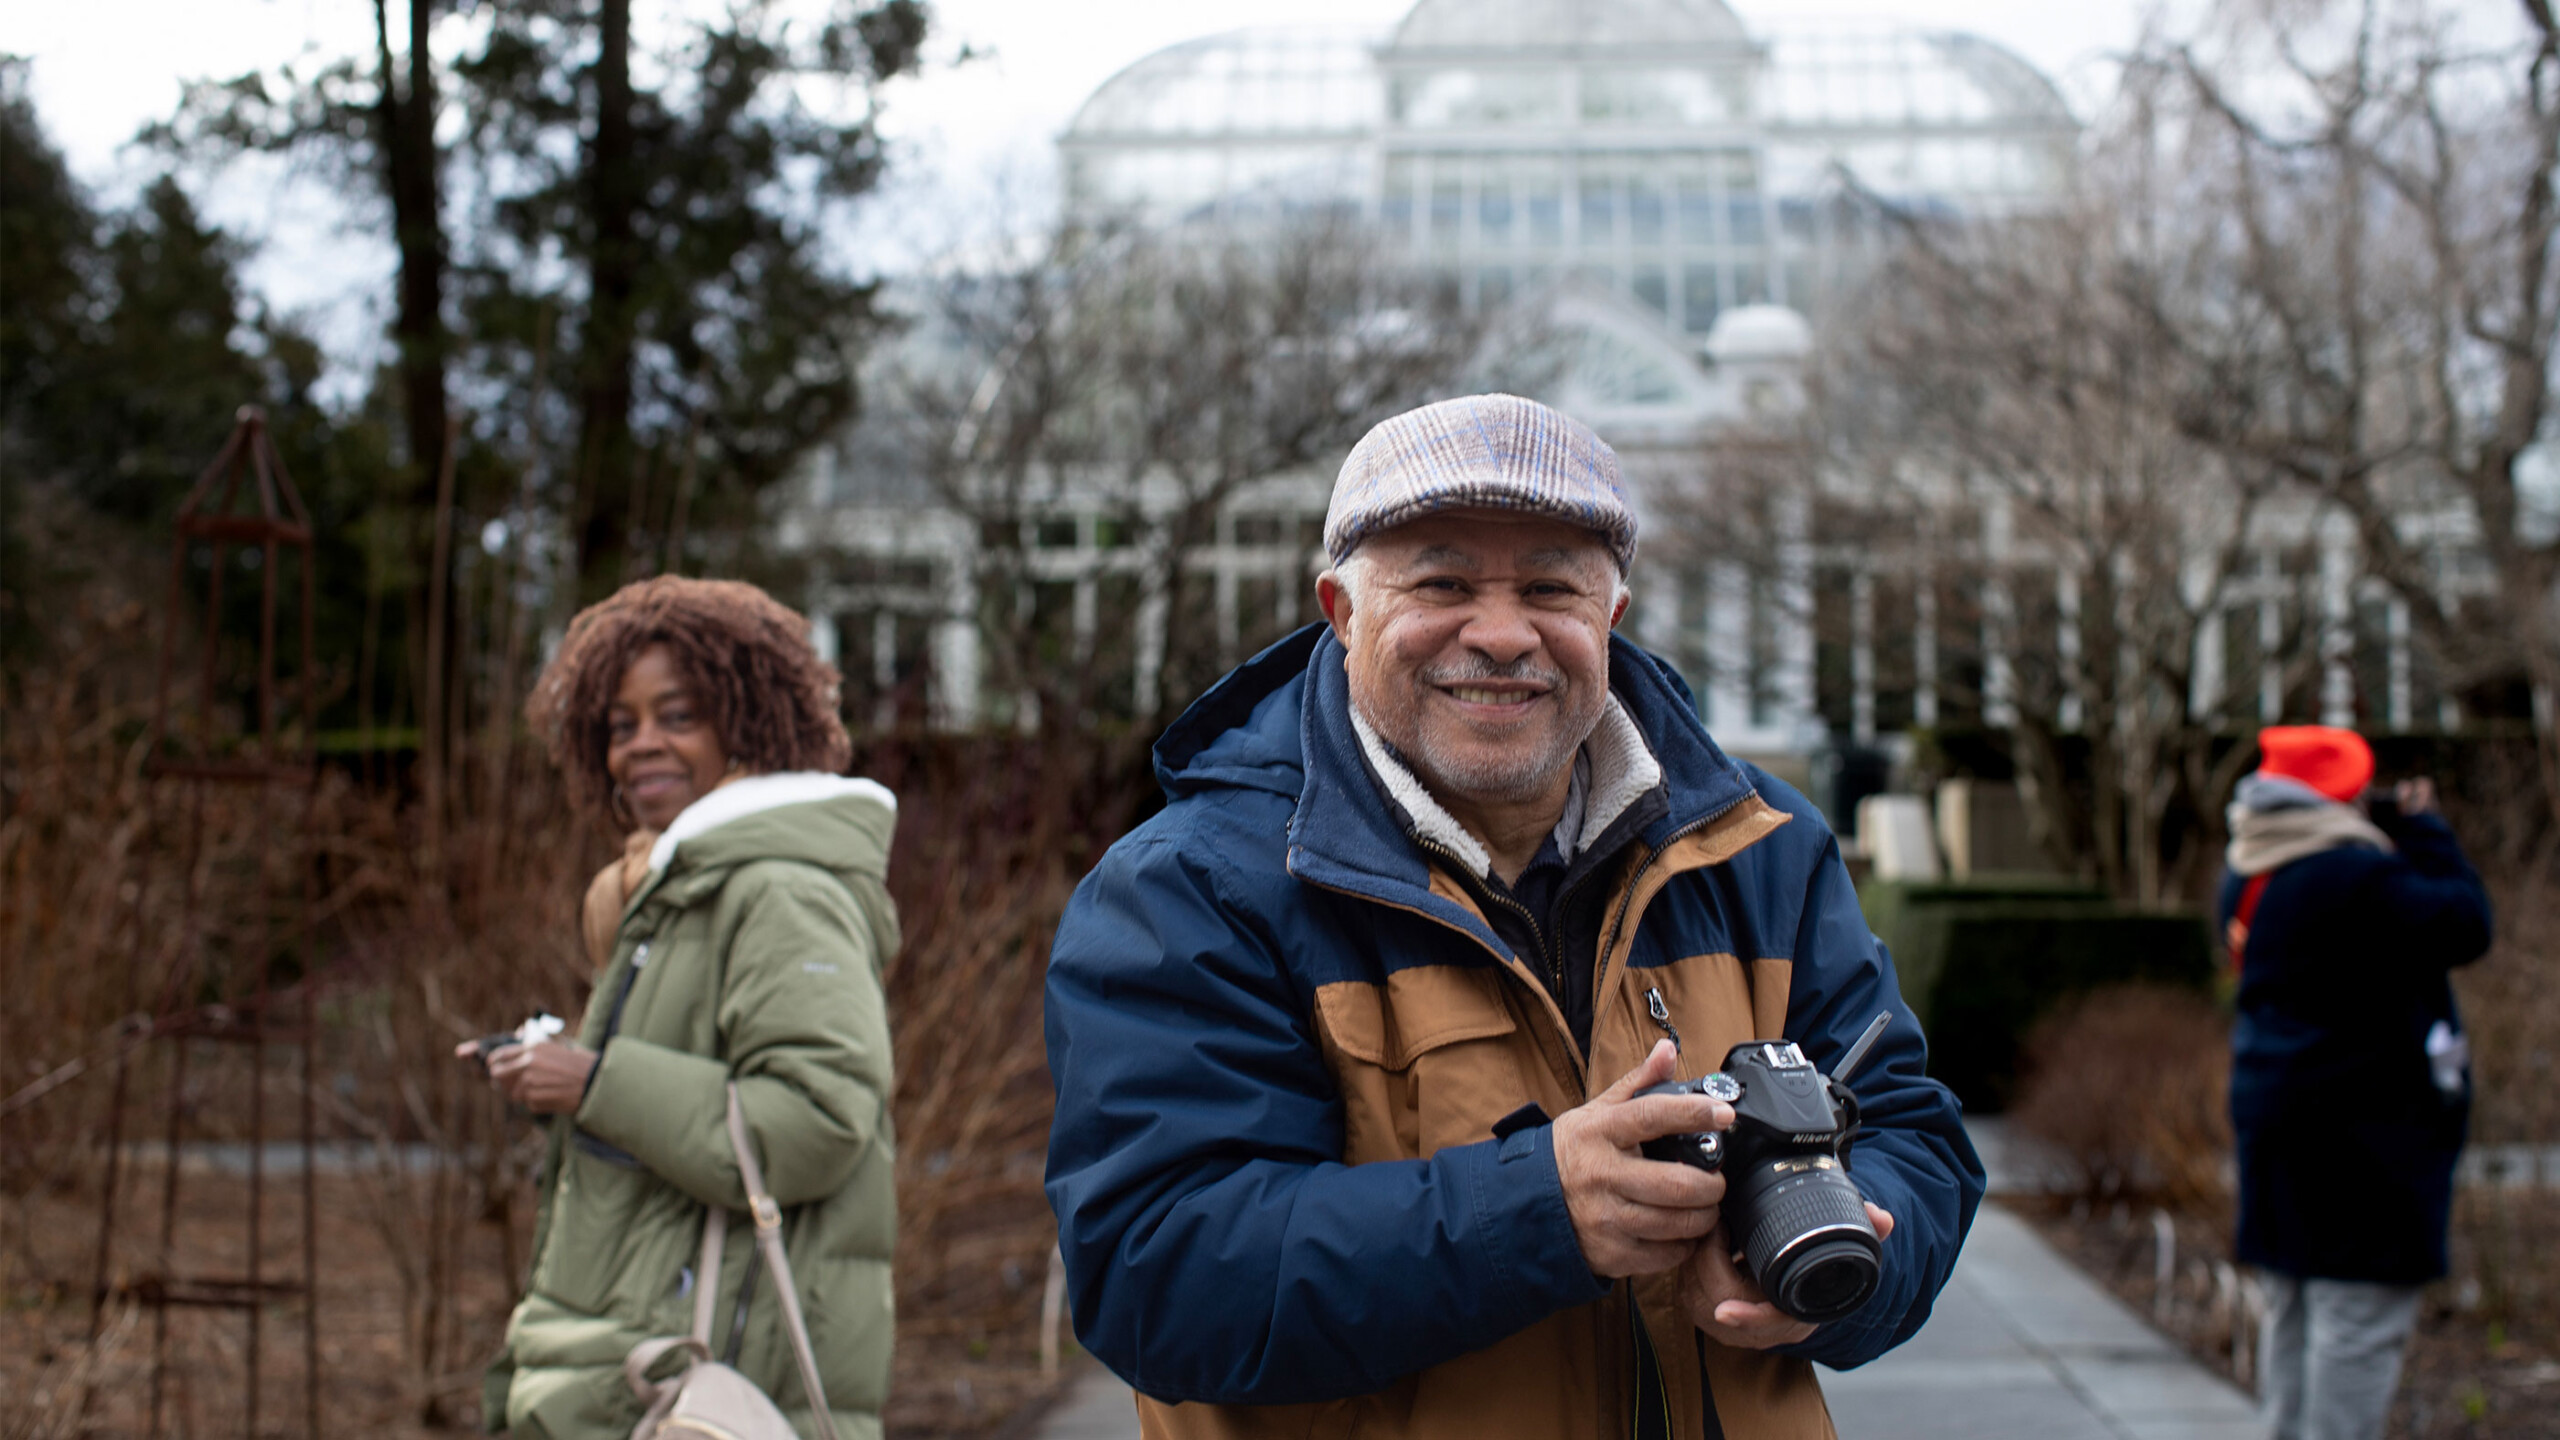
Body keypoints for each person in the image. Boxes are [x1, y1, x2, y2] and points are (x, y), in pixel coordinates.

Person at [1044, 394, 1983, 1439]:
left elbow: (1909, 1126)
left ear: (1609, 619)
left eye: (1549, 587)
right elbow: (1153, 1274)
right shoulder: (1190, 890)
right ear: (1341, 612)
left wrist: (1836, 1256)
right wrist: (1536, 1214)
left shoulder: (1765, 848)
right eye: (1441, 582)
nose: (1499, 634)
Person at [468, 576, 900, 1440]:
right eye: (621, 725)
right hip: (624, 1378)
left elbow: (818, 1120)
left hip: (701, 1387)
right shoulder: (664, 892)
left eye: (677, 717)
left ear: (750, 726)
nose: (640, 747)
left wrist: (594, 1081)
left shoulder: (779, 891)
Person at [2221, 725, 2492, 1440]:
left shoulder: (2249, 869)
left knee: (2291, 1314)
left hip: (2277, 1131)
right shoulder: (2353, 876)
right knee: (2356, 1325)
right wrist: (2425, 828)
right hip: (2365, 1147)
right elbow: (2465, 923)